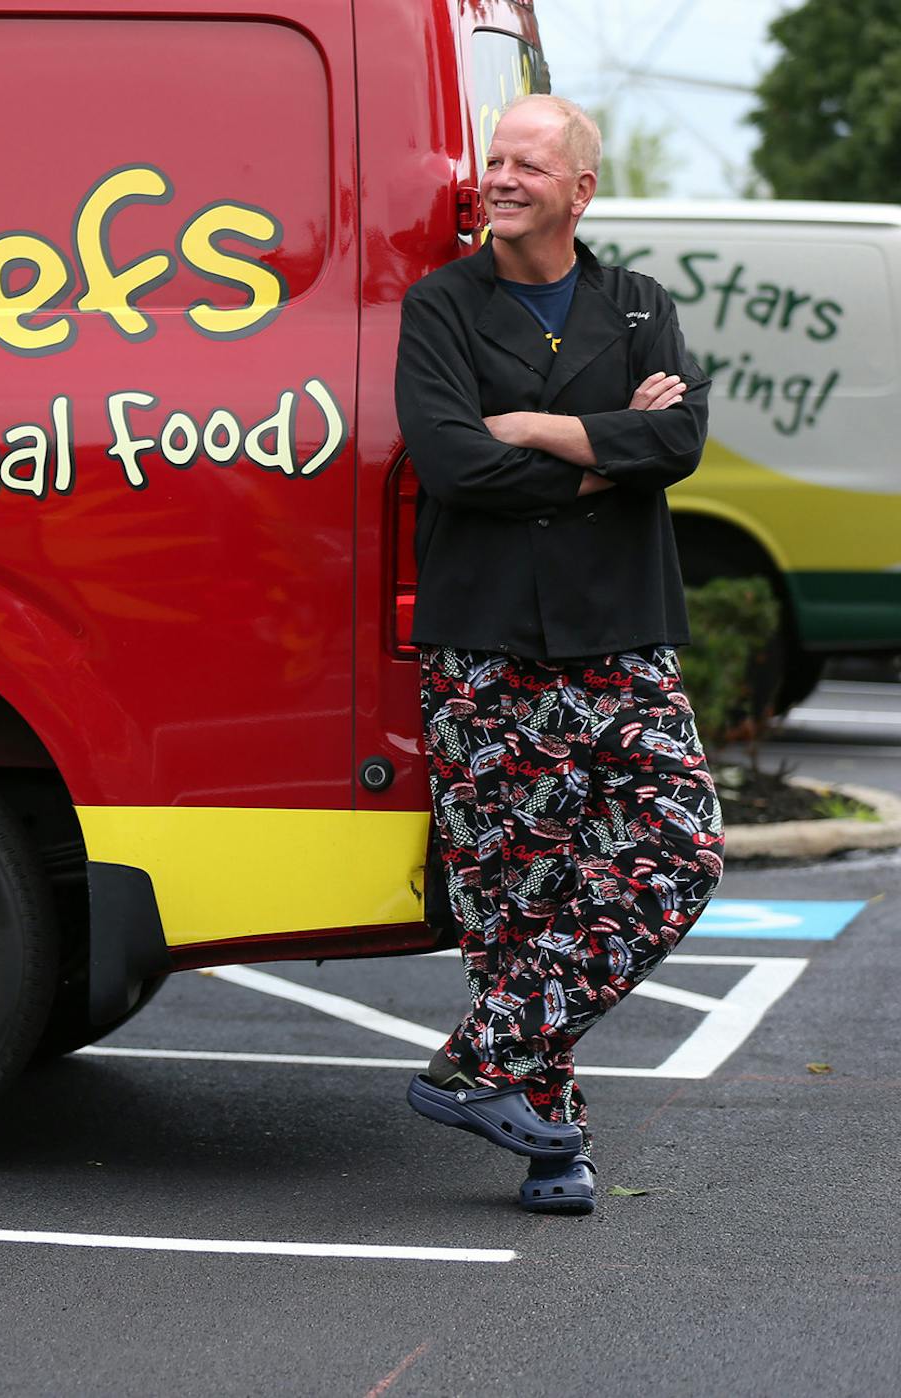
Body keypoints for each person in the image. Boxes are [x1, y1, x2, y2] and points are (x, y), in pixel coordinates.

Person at [392, 94, 726, 1214]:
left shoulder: (638, 307)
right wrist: (604, 455)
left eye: (529, 163)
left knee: (680, 853)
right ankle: (554, 1146)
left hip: (619, 633)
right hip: (482, 645)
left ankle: (476, 1065)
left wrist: (532, 430)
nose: (501, 177)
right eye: (495, 159)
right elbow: (449, 464)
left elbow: (676, 441)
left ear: (581, 188)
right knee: (515, 900)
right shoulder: (441, 305)